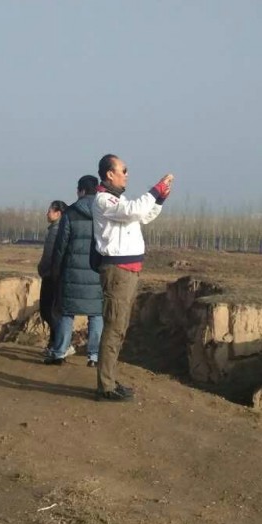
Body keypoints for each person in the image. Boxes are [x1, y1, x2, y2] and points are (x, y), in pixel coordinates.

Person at [92, 155, 173, 401]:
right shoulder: (104, 200)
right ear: (109, 174)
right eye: (123, 170)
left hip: (128, 271)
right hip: (118, 272)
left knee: (120, 328)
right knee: (114, 326)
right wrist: (155, 189)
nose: (127, 174)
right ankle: (105, 386)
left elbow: (143, 215)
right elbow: (134, 210)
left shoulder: (118, 200)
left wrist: (159, 199)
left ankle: (110, 380)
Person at [46, 175, 102, 367]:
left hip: (72, 273)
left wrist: (55, 270)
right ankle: (93, 357)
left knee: (66, 313)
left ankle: (60, 353)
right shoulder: (105, 211)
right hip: (97, 273)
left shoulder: (70, 213)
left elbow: (61, 245)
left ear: (81, 190)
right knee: (96, 314)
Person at [37, 200, 68, 357]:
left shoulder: (57, 231)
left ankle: (62, 342)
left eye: (50, 210)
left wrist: (43, 268)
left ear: (58, 213)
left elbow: (50, 256)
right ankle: (55, 343)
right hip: (53, 275)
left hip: (52, 276)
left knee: (48, 311)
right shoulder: (55, 229)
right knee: (50, 311)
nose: (47, 213)